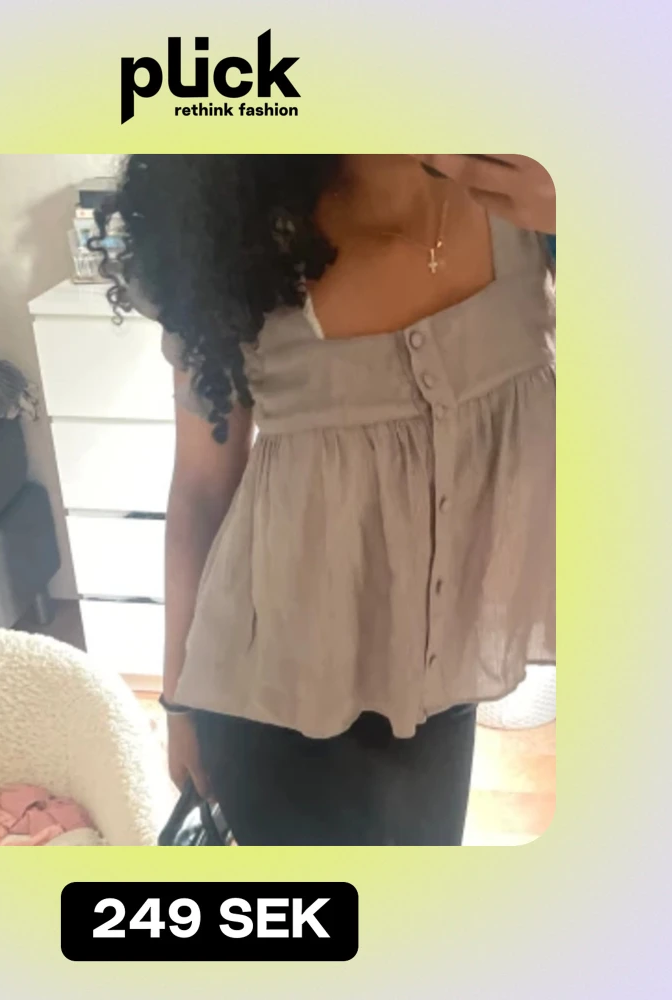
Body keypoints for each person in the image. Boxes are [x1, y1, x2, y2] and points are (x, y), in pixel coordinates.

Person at [95, 154, 556, 846]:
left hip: (444, 678)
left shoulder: (539, 199)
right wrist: (181, 702)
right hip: (274, 697)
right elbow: (201, 489)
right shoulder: (231, 238)